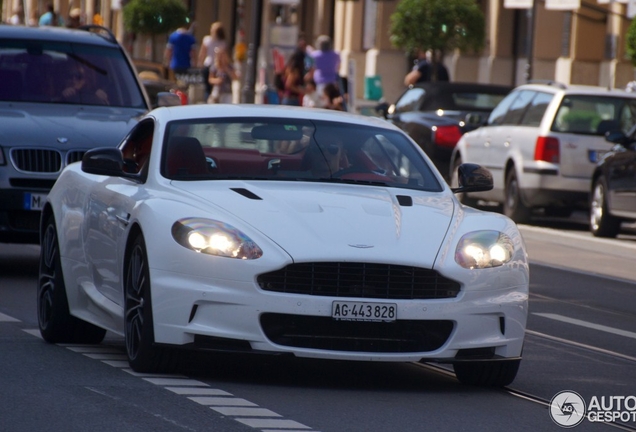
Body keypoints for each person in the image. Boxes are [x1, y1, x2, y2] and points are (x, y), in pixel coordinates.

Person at [198, 21, 227, 99]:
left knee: (209, 87)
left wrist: (200, 63)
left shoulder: (208, 40)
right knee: (210, 86)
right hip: (211, 64)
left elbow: (202, 54)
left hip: (212, 64)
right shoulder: (221, 42)